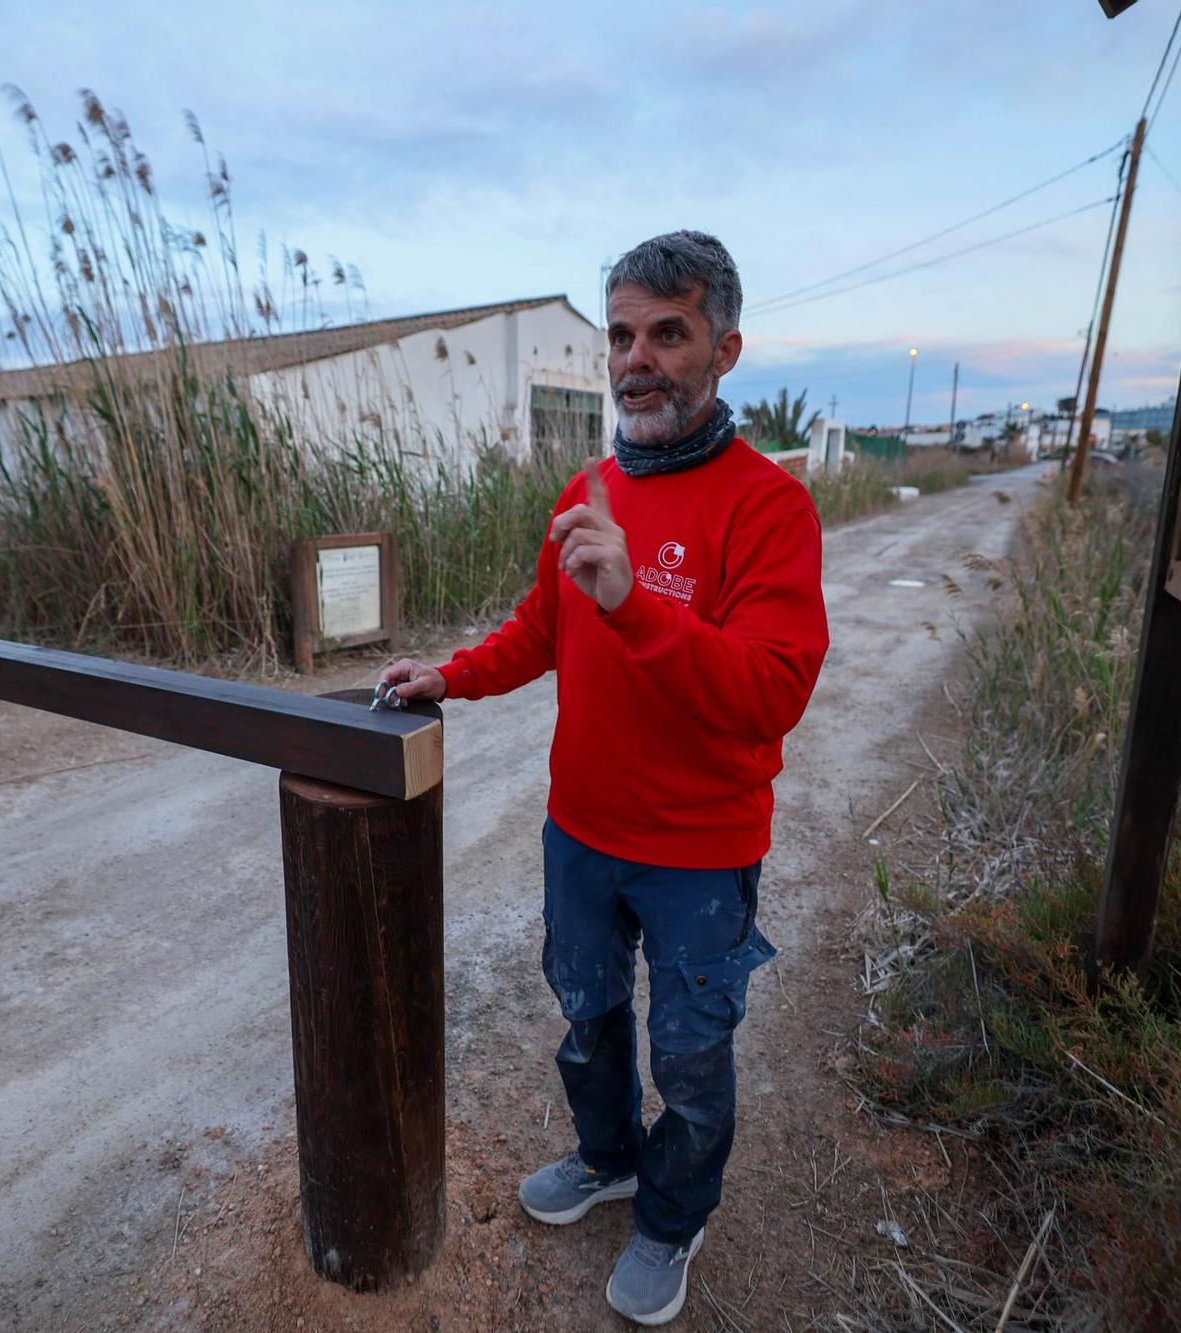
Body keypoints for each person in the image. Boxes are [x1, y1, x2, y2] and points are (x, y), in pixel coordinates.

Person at [378, 230, 828, 1325]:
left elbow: (769, 691)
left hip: (699, 855)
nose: (636, 358)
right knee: (585, 1016)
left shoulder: (768, 506)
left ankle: (671, 1217)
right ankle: (608, 1156)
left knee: (689, 1051)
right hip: (578, 832)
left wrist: (638, 605)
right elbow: (541, 628)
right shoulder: (588, 485)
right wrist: (451, 673)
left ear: (722, 349)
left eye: (666, 334)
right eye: (621, 335)